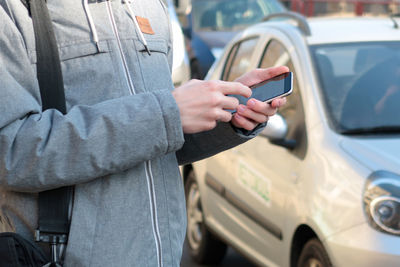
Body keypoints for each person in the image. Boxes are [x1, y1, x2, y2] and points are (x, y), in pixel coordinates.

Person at [0, 0, 288, 266]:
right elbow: (12, 152)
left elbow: (157, 137)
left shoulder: (152, 5)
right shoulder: (13, 8)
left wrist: (229, 115)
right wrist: (166, 114)